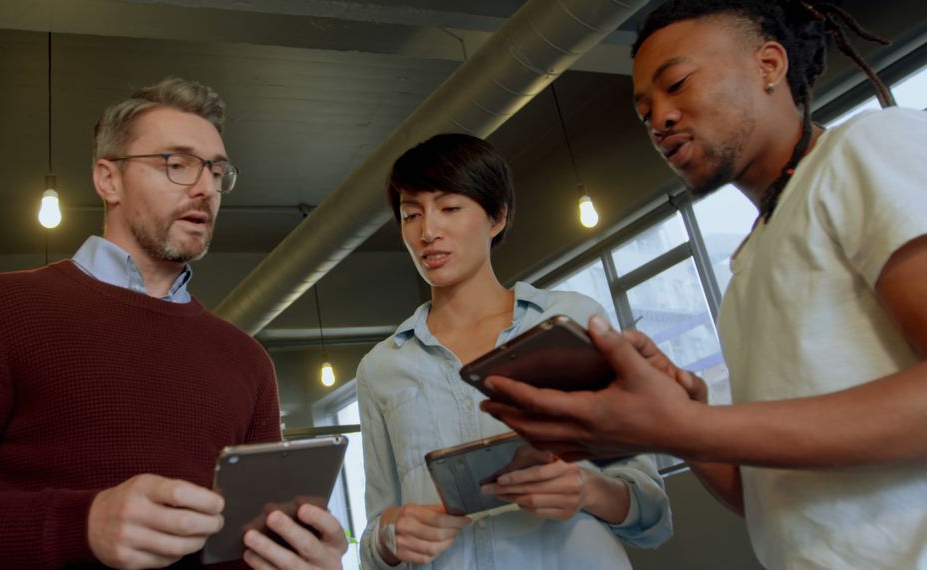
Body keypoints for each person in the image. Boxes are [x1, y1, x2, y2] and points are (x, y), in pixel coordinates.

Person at [481, 2, 927, 569]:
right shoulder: (747, 268)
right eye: (645, 112)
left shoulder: (866, 145)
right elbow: (763, 497)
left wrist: (690, 423)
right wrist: (676, 421)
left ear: (769, 65)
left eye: (677, 84)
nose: (660, 120)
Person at [0, 78, 347, 570]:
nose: (205, 189)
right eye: (177, 165)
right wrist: (82, 525)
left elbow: (240, 551)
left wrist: (298, 559)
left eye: (217, 172)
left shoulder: (247, 361)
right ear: (109, 180)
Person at [355, 133, 672, 569]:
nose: (428, 232)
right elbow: (375, 537)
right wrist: (389, 539)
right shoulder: (381, 368)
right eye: (411, 214)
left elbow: (652, 512)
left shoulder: (574, 320)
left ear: (497, 217)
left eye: (450, 208)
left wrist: (587, 489)